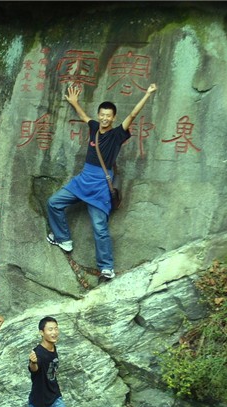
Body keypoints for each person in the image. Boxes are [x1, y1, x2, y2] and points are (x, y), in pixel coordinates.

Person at [46, 82, 158, 279]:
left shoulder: (117, 134)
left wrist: (148, 94)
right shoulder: (95, 128)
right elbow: (84, 117)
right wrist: (74, 102)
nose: (105, 118)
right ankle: (63, 239)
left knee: (100, 228)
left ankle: (106, 267)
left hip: (100, 185)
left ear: (114, 118)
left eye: (109, 116)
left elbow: (132, 115)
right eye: (102, 115)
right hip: (84, 179)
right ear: (99, 115)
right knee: (54, 202)